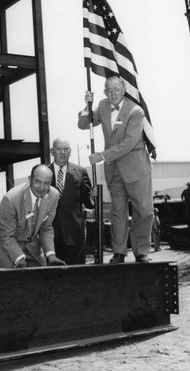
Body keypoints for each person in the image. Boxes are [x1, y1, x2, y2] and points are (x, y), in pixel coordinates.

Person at [78, 76, 153, 264]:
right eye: (108, 90)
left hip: (136, 168)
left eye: (116, 89)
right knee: (117, 212)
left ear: (123, 89)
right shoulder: (103, 106)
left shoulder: (136, 111)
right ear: (104, 92)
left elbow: (129, 142)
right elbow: (82, 124)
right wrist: (87, 105)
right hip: (114, 170)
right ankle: (119, 252)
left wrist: (102, 156)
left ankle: (141, 252)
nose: (112, 93)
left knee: (143, 210)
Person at [0, 164, 66, 268]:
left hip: (30, 242)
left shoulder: (54, 195)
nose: (42, 188)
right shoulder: (11, 198)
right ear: (30, 179)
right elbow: (6, 235)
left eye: (46, 183)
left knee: (41, 273)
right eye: (37, 182)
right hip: (4, 241)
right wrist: (19, 258)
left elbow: (46, 228)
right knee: (10, 279)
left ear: (51, 182)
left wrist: (51, 255)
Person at [49, 137, 94, 265]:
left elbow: (89, 202)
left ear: (70, 151)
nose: (62, 152)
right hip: (50, 236)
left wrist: (93, 197)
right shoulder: (44, 172)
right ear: (52, 151)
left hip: (74, 235)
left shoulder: (81, 171)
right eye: (58, 149)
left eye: (66, 149)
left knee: (76, 276)